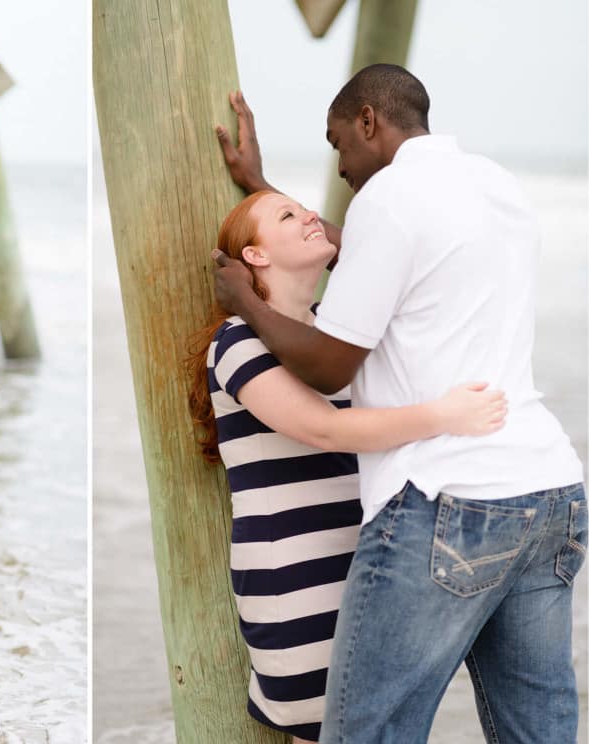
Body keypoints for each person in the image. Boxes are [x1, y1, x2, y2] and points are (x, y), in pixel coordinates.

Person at [210, 64, 586, 743]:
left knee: (367, 733)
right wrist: (261, 190)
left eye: (336, 145)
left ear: (367, 122)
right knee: (536, 730)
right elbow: (379, 254)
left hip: (450, 498)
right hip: (548, 489)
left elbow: (326, 368)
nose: (342, 169)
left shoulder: (387, 199)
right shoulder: (493, 183)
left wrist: (242, 301)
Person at [189, 189, 507, 743]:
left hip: (369, 570)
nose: (312, 216)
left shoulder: (332, 343)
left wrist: (263, 183)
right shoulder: (237, 342)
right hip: (293, 573)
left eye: (306, 209)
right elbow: (323, 428)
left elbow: (379, 261)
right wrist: (444, 415)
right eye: (289, 216)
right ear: (256, 258)